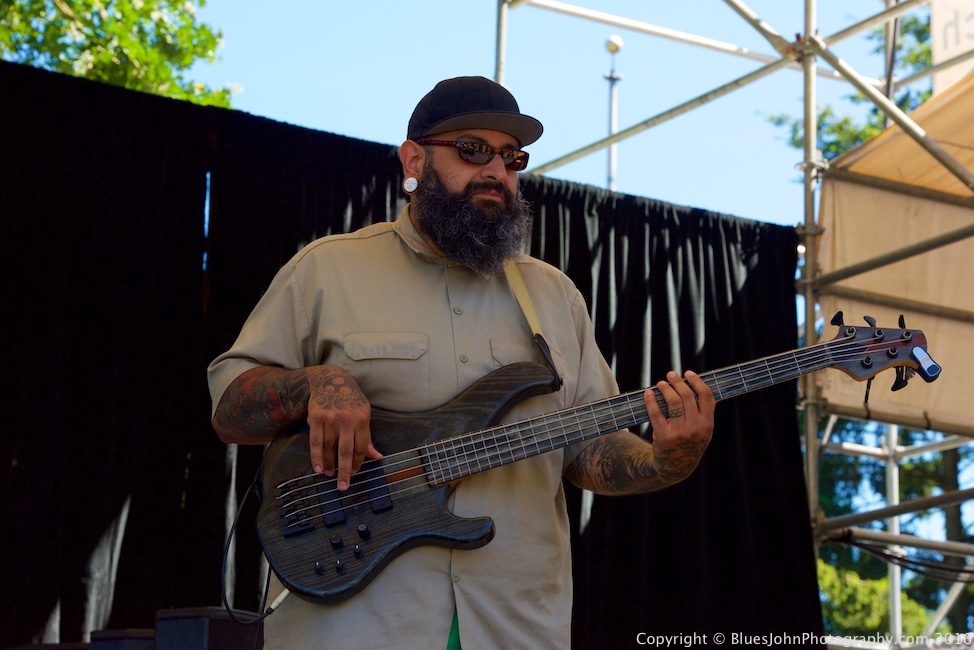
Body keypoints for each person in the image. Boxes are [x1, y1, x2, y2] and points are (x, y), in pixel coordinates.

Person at [207, 75, 715, 650]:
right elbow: (231, 410)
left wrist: (668, 458)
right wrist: (316, 384)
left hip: (515, 623)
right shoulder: (326, 270)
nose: (497, 171)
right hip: (355, 623)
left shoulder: (554, 297)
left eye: (512, 157)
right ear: (414, 158)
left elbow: (586, 449)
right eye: (472, 151)